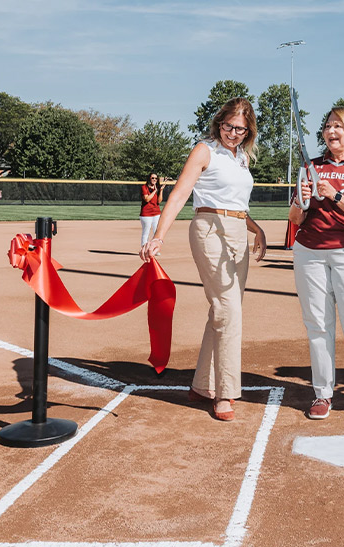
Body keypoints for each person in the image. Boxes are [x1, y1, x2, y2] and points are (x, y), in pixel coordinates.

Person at [139, 97, 267, 422]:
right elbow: (181, 193)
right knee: (229, 308)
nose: (233, 134)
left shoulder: (242, 158)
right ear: (219, 123)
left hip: (238, 229)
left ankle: (200, 384)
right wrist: (159, 236)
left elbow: (238, 205)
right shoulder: (204, 150)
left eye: (241, 129)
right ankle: (225, 392)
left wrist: (257, 230)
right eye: (228, 126)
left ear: (248, 130)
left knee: (222, 310)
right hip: (209, 228)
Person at [289, 107, 344, 421]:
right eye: (327, 126)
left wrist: (336, 196)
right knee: (318, 324)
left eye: (338, 126)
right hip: (309, 251)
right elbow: (295, 218)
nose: (331, 131)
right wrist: (302, 199)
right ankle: (322, 394)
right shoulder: (311, 166)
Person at [139, 173, 165, 246]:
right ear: (149, 179)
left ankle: (153, 249)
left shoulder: (157, 188)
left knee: (156, 232)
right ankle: (144, 249)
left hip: (156, 213)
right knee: (146, 232)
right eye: (152, 178)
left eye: (156, 178)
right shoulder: (144, 187)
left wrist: (161, 190)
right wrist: (154, 191)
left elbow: (159, 201)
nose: (154, 180)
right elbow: (147, 199)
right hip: (146, 214)